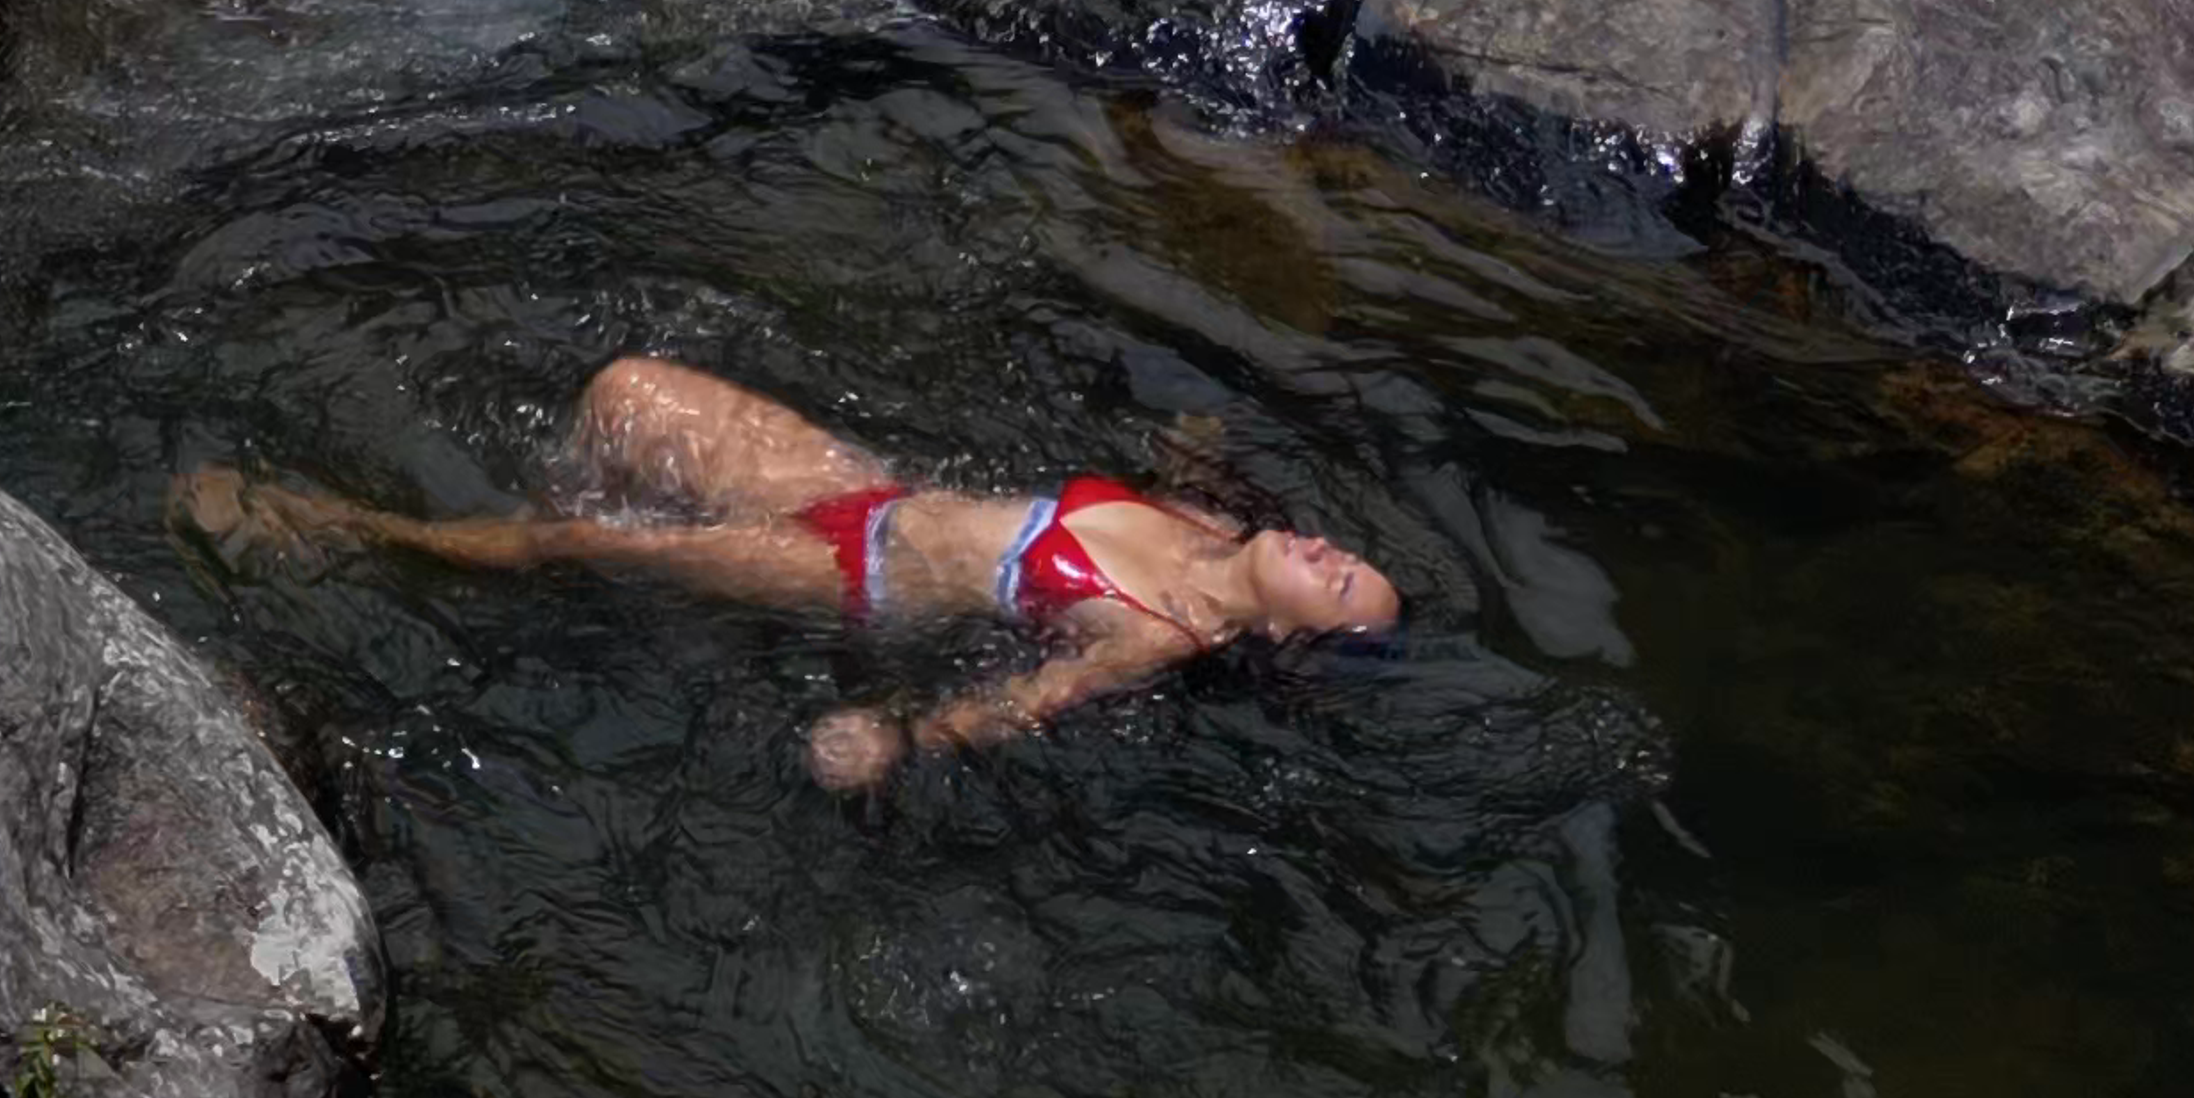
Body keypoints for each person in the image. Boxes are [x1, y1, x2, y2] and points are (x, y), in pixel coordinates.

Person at [177, 348, 1401, 788]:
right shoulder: (1202, 522)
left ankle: (333, 523)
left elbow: (1025, 704)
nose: (1330, 553)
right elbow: (1196, 463)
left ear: (1282, 635)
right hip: (866, 490)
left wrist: (902, 741)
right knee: (627, 387)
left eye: (1338, 583)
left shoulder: (1161, 628)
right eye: (1349, 553)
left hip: (849, 575)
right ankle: (547, 548)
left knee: (581, 539)